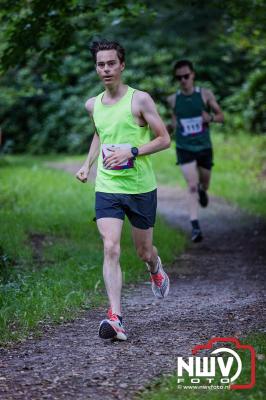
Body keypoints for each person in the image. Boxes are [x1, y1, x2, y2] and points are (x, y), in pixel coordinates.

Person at [76, 40, 170, 341]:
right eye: (100, 64)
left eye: (111, 63)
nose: (106, 69)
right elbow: (100, 133)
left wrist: (133, 151)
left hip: (141, 188)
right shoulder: (92, 104)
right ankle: (115, 317)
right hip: (108, 187)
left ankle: (155, 266)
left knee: (143, 251)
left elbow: (164, 139)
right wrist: (87, 165)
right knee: (110, 246)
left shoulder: (139, 100)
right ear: (96, 67)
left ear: (122, 65)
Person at [167, 60, 224, 242]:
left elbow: (222, 117)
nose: (183, 80)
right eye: (179, 77)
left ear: (193, 75)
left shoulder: (205, 95)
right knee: (191, 185)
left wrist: (212, 117)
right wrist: (167, 129)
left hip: (204, 147)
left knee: (204, 184)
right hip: (184, 148)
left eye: (186, 76)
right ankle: (195, 226)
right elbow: (174, 122)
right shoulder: (173, 99)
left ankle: (203, 190)